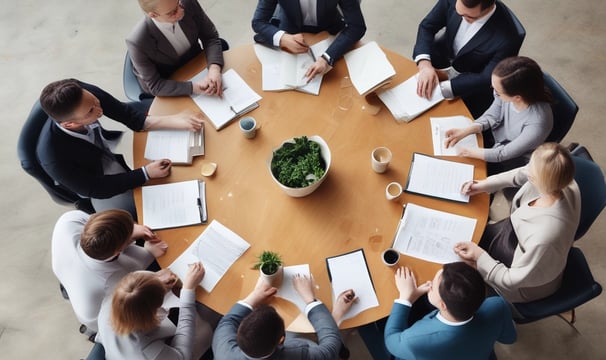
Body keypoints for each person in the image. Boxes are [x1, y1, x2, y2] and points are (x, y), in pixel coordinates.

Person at [37, 78, 204, 217]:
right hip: (96, 177)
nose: (100, 109)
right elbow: (96, 188)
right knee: (140, 211)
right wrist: (144, 174)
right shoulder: (53, 157)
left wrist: (174, 121)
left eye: (95, 101)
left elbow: (126, 114)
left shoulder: (82, 94)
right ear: (70, 124)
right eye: (91, 111)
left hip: (102, 152)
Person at [454, 143, 581, 303]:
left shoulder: (544, 235)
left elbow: (511, 280)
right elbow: (523, 173)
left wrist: (480, 258)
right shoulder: (564, 181)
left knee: (457, 273)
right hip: (515, 239)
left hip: (521, 284)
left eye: (531, 171)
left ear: (536, 179)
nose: (527, 171)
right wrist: (485, 185)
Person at [51, 209, 168, 334]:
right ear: (118, 250)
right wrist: (149, 252)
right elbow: (139, 266)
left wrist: (131, 229)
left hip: (69, 274)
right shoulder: (116, 278)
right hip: (103, 321)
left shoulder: (68, 220)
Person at [444, 56, 553, 175]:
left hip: (509, 162)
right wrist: (468, 129)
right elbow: (493, 115)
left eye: (497, 91)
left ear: (517, 97)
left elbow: (502, 154)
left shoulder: (538, 124)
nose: (494, 92)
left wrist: (466, 152)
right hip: (494, 139)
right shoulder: (507, 91)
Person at [384, 263, 516, 360]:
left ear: (442, 305)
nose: (429, 284)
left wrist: (405, 298)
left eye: (432, 287)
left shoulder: (415, 340)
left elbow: (391, 340)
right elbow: (510, 338)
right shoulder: (497, 305)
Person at [413, 0, 522, 117]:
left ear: (490, 6)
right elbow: (427, 26)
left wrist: (443, 88)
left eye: (469, 17)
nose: (463, 19)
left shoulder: (511, 37)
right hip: (439, 60)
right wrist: (425, 65)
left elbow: (487, 77)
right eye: (459, 13)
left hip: (470, 86)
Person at [212, 274, 355, 359]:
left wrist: (255, 295)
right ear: (281, 339)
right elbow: (329, 348)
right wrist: (310, 299)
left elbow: (227, 322)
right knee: (300, 332)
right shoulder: (299, 355)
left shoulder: (223, 350)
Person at [96, 263, 214, 359]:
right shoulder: (144, 352)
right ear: (151, 311)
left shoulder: (112, 300)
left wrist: (156, 280)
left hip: (120, 344)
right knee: (205, 330)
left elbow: (136, 280)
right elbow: (182, 355)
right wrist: (188, 292)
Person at [127, 0, 225, 98]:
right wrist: (193, 88)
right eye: (172, 12)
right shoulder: (138, 42)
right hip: (169, 81)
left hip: (195, 63)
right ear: (153, 15)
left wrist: (214, 69)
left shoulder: (188, 3)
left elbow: (210, 37)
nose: (181, 11)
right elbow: (156, 85)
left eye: (178, 3)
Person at [252, 0, 366, 82]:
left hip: (329, 32)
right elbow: (258, 21)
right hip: (290, 31)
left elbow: (357, 27)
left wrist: (327, 57)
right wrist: (282, 38)